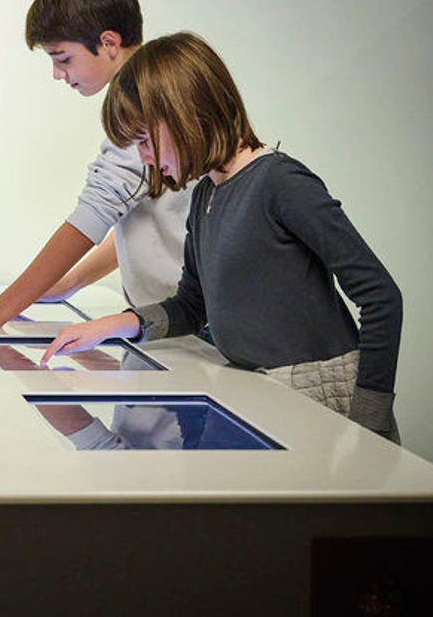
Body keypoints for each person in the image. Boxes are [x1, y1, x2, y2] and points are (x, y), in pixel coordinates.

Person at [39, 32, 402, 441]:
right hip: (257, 389)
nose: (141, 158)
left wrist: (370, 419)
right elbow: (192, 306)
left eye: (143, 141)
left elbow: (381, 297)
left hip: (321, 397)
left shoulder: (281, 183)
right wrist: (111, 326)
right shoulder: (206, 195)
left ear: (188, 116)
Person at [0, 0, 194, 331]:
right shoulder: (156, 92)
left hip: (189, 318)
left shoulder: (145, 106)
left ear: (109, 43)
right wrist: (69, 283)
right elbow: (140, 215)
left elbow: (95, 212)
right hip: (179, 318)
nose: (58, 73)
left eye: (63, 58)